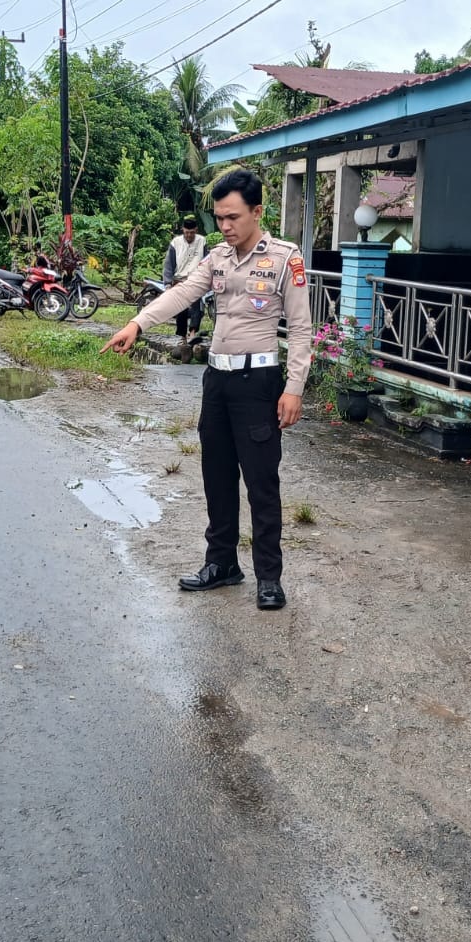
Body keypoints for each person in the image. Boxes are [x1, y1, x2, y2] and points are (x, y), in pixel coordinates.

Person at [103, 168, 312, 610]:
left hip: (258, 384)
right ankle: (221, 564)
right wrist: (137, 324)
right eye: (219, 218)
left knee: (261, 483)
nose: (225, 226)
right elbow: (180, 295)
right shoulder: (216, 257)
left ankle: (268, 578)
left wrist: (294, 387)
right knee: (216, 478)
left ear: (257, 211)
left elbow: (300, 328)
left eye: (233, 217)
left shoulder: (284, 258)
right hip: (216, 382)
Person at [163, 215, 209, 361]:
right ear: (183, 230)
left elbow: (207, 260)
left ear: (196, 230)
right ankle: (182, 337)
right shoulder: (175, 243)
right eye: (187, 232)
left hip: (196, 279)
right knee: (181, 308)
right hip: (180, 280)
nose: (189, 235)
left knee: (197, 306)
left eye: (192, 233)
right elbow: (169, 264)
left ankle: (193, 333)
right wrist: (168, 283)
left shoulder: (202, 241)